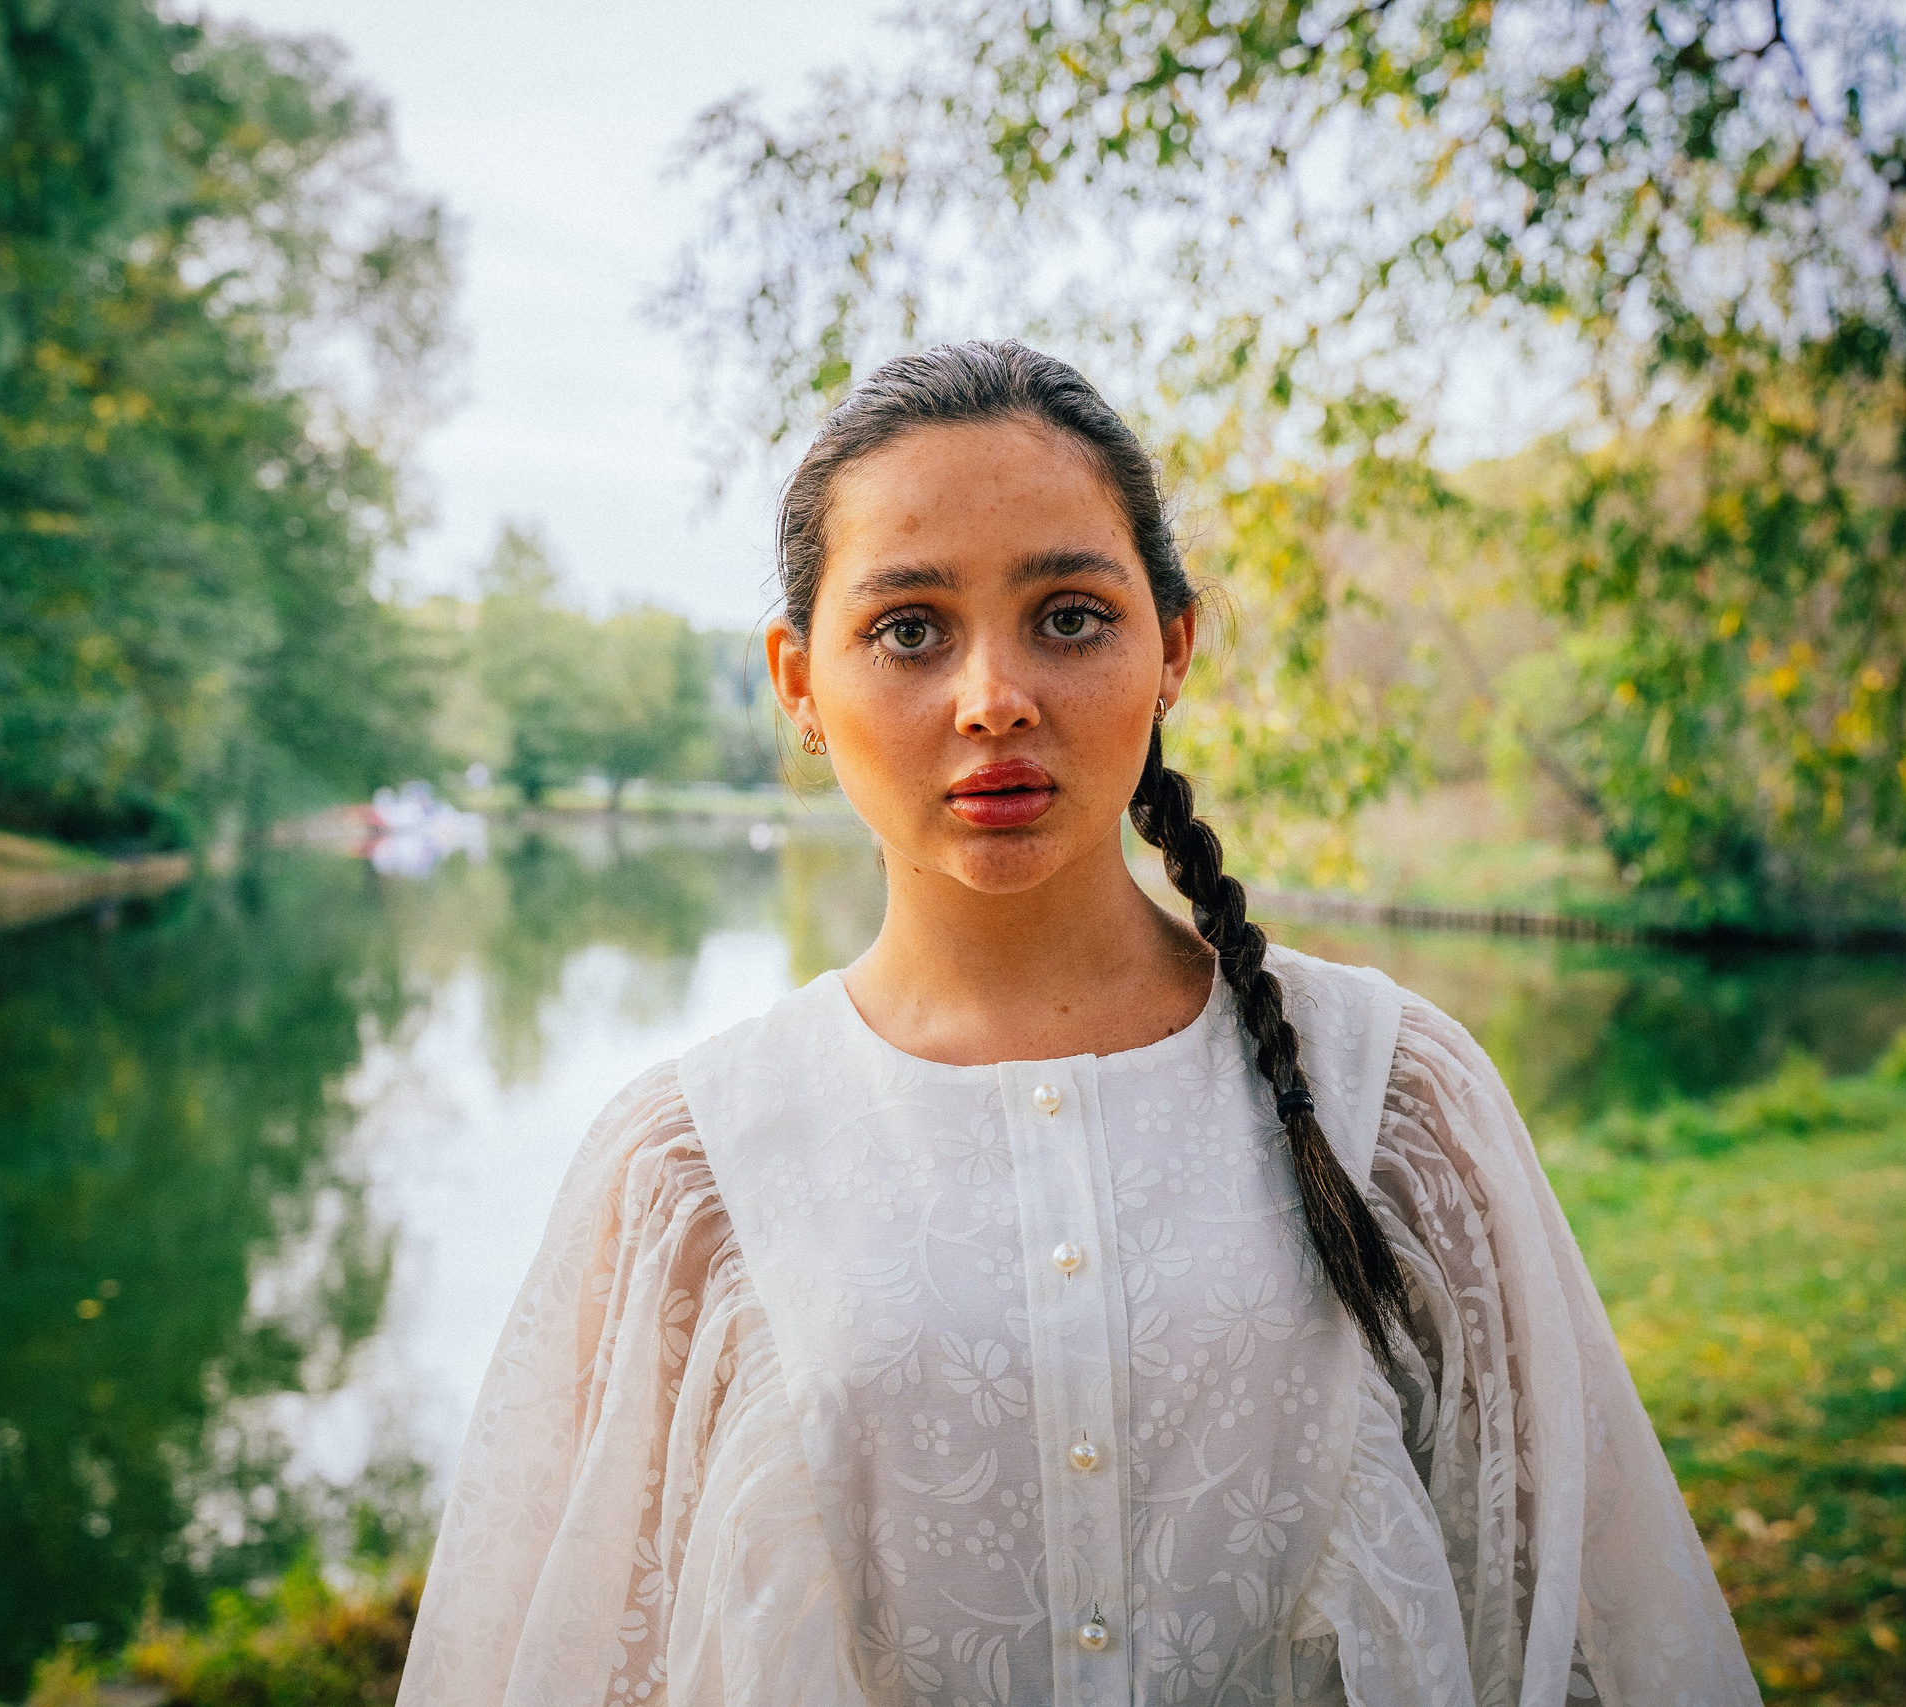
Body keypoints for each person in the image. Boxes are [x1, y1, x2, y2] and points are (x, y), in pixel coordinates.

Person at [396, 342, 1757, 1707]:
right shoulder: (689, 1172)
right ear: (799, 683)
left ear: (1170, 646)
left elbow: (1586, 1625)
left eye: (1068, 616)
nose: (995, 697)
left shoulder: (1393, 1097)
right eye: (909, 630)